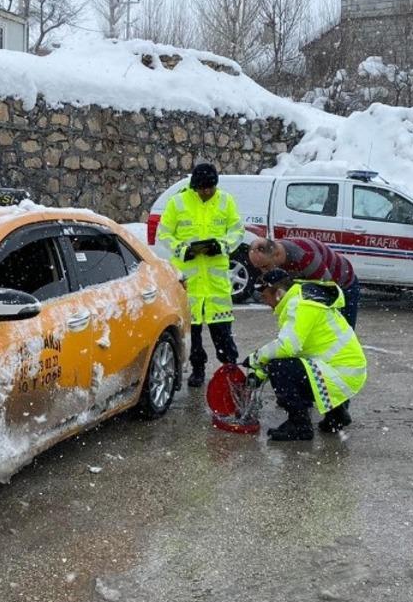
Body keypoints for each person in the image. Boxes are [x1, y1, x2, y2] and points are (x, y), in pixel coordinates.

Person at [244, 269, 367, 441]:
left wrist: (255, 358)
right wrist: (258, 375)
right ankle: (337, 414)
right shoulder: (301, 300)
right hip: (345, 370)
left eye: (265, 297)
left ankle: (299, 425)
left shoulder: (301, 305)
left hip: (342, 374)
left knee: (280, 369)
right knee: (287, 366)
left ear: (279, 293)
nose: (265, 302)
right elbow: (295, 349)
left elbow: (286, 348)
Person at [157, 163, 243, 387]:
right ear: (194, 186)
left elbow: (237, 231)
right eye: (202, 188)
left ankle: (229, 369)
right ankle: (197, 369)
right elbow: (164, 234)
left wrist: (222, 246)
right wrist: (183, 250)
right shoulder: (178, 203)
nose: (206, 192)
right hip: (189, 282)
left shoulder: (226, 201)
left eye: (210, 188)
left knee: (222, 332)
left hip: (216, 284)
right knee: (192, 333)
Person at [248, 236, 361, 329]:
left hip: (344, 284)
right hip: (315, 279)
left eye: (265, 266)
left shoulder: (305, 257)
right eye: (258, 267)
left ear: (277, 254)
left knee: (343, 332)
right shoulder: (273, 251)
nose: (263, 271)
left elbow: (328, 292)